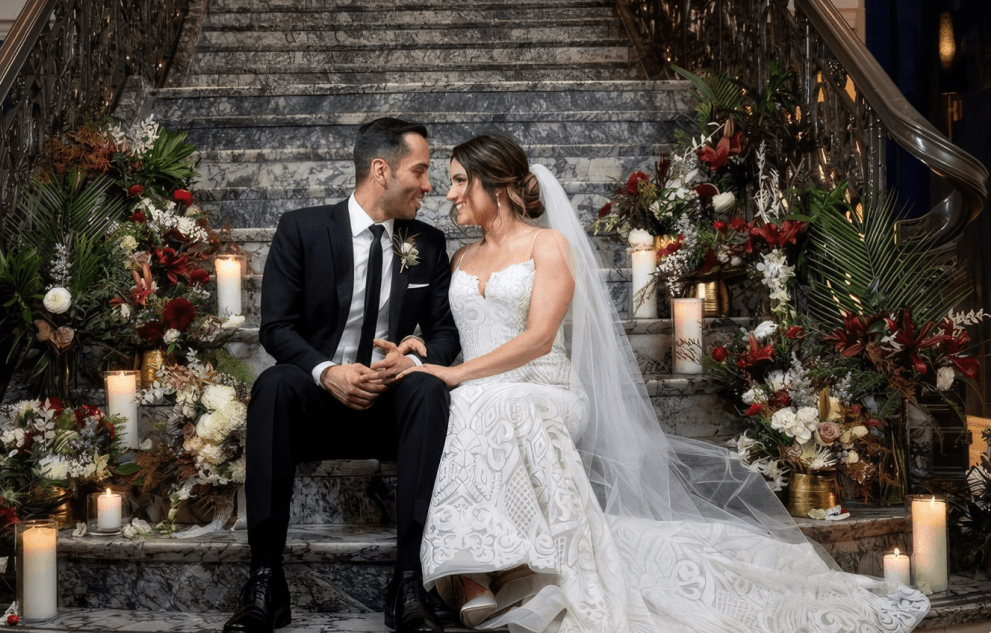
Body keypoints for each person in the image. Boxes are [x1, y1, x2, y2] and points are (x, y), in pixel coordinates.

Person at [401, 133, 931, 632]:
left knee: (486, 403)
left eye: (457, 180)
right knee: (474, 403)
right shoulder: (461, 256)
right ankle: (482, 567)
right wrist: (426, 349)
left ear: (496, 185)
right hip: (481, 385)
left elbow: (540, 339)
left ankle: (488, 571)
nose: (447, 195)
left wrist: (455, 374)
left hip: (544, 386)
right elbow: (456, 330)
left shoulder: (548, 247)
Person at [224, 118, 461, 633]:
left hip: (392, 405)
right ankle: (265, 578)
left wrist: (413, 359)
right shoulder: (303, 228)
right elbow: (276, 328)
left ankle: (408, 580)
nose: (428, 185)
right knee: (273, 384)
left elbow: (446, 336)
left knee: (428, 386)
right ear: (381, 170)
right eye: (419, 171)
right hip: (318, 403)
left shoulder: (429, 243)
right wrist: (327, 371)